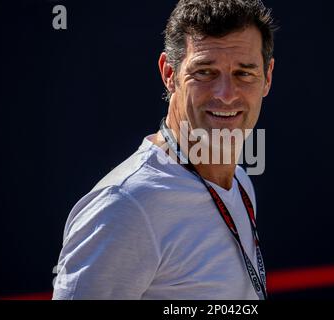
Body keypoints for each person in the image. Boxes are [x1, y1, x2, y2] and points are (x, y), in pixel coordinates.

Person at [53, 0, 275, 300]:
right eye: (205, 72)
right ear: (169, 74)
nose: (226, 94)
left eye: (244, 73)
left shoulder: (239, 180)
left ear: (267, 77)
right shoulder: (124, 206)